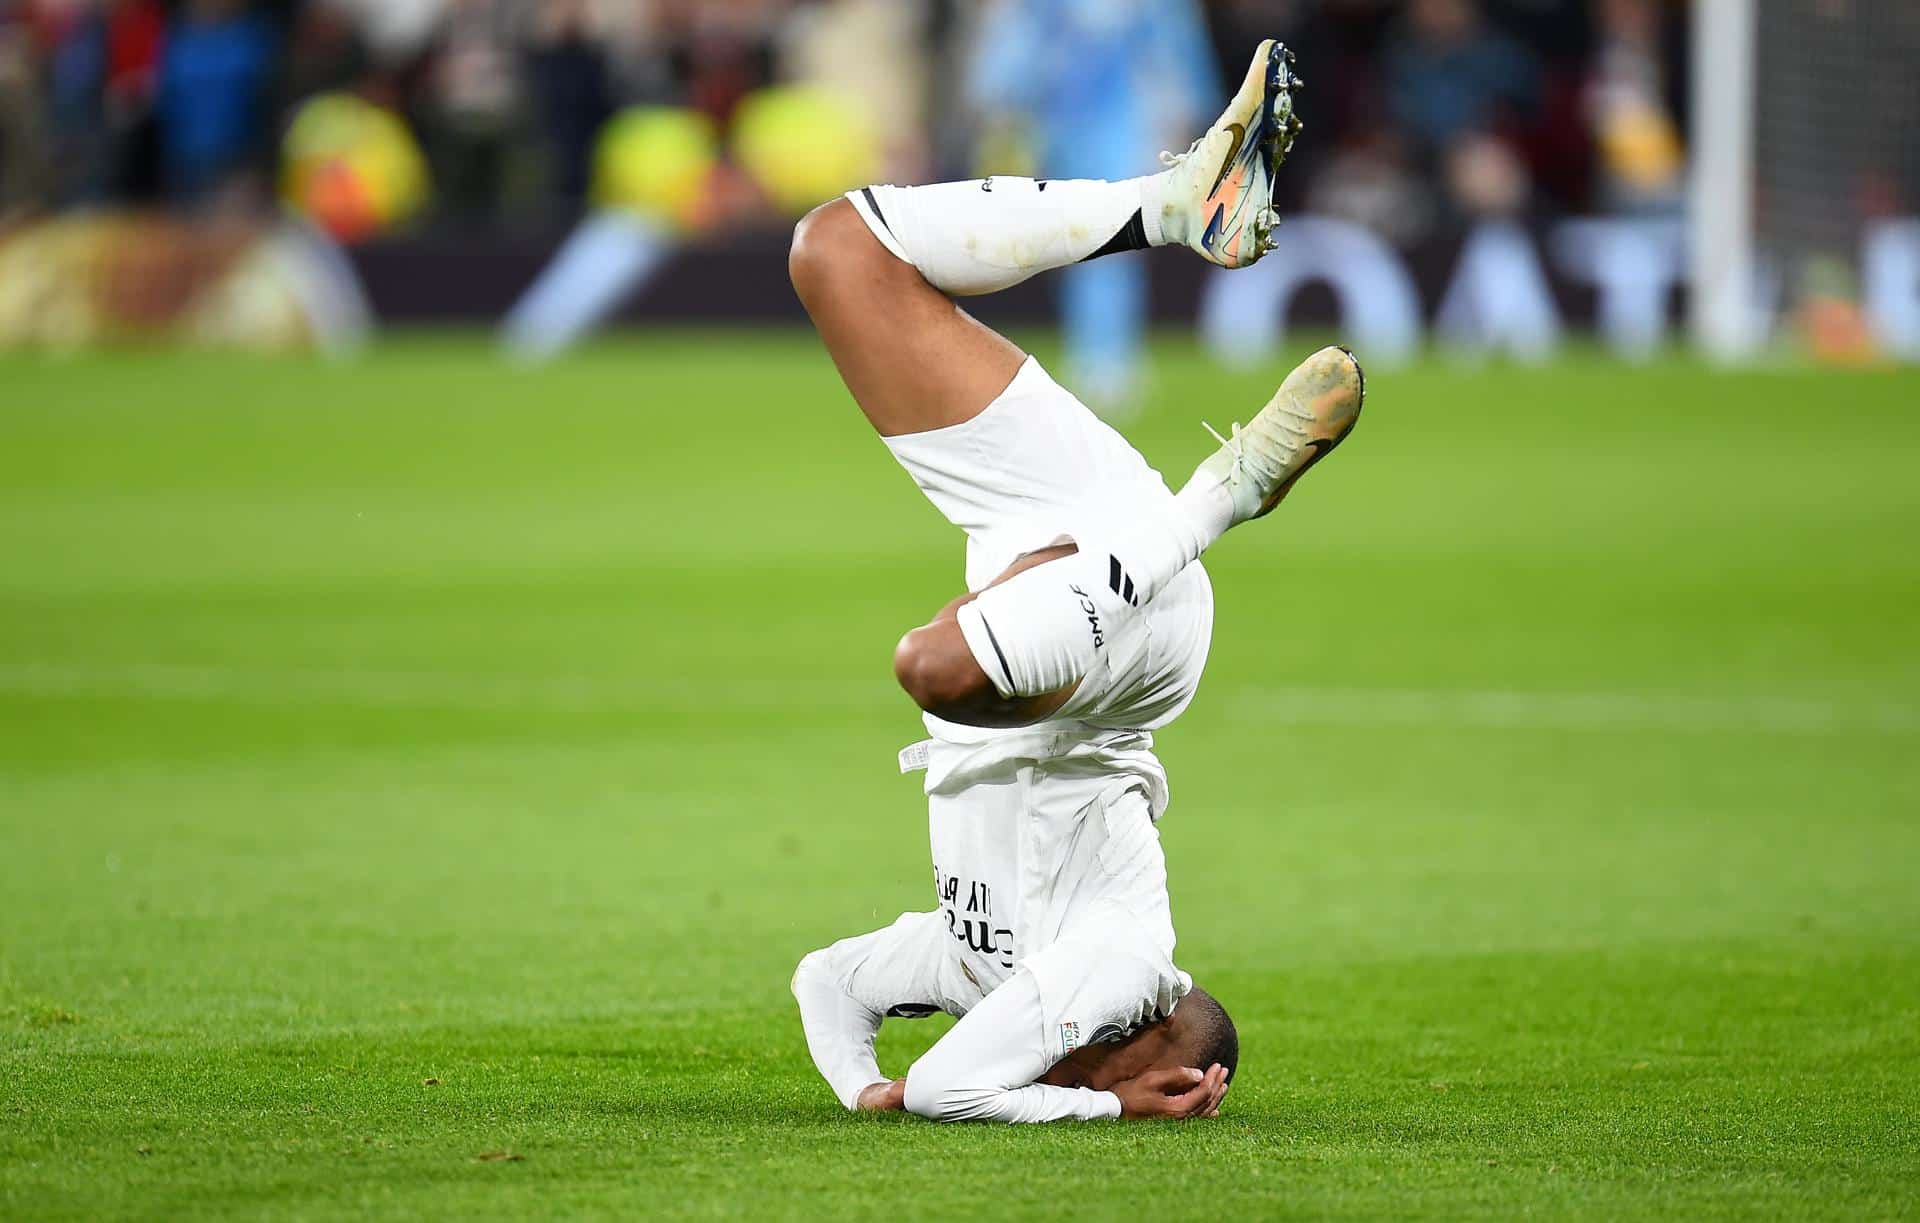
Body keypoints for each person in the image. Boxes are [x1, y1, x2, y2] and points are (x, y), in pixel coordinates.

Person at [787, 40, 1365, 1123]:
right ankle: (1223, 495)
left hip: (1056, 543)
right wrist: (1102, 1110)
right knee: (934, 666)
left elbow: (827, 983)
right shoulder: (1127, 971)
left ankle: (1174, 204)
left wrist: (863, 1086)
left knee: (838, 251)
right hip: (1136, 633)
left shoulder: (973, 969)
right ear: (1187, 1074)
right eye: (1145, 1086)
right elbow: (951, 1087)